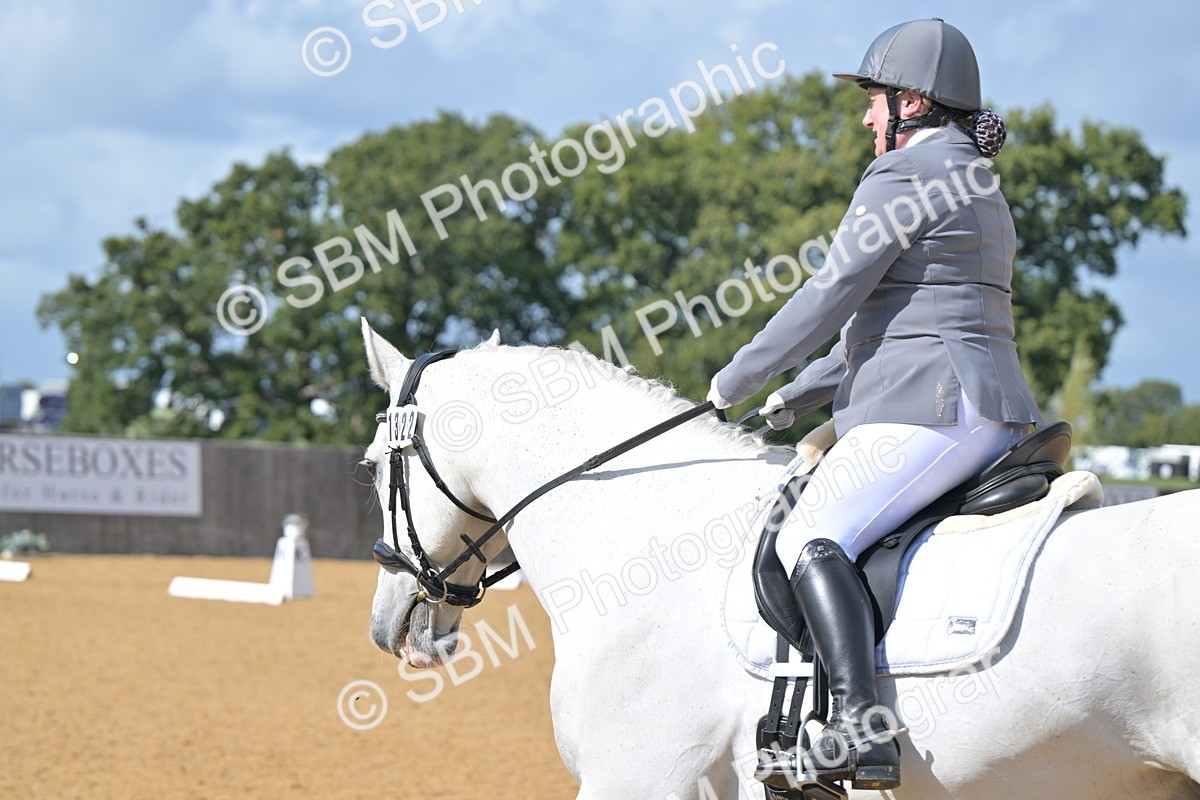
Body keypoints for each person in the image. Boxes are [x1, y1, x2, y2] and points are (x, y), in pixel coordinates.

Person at [707, 18, 1043, 791]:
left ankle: (859, 723)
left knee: (809, 536)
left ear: (915, 102)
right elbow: (899, 320)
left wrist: (735, 381)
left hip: (928, 405)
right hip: (988, 406)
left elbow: (830, 296)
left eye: (875, 100)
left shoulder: (903, 177)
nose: (866, 117)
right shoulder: (976, 177)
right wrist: (797, 397)